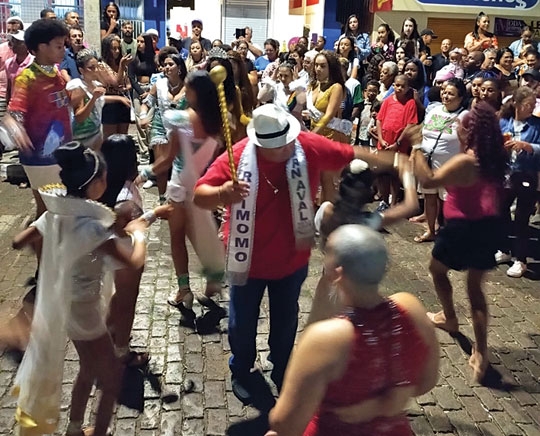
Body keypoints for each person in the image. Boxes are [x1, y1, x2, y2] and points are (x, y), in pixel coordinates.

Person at [193, 103, 402, 409]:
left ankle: (281, 366)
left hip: (291, 260)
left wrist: (399, 161)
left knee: (286, 318)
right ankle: (241, 369)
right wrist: (224, 193)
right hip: (246, 259)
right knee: (241, 322)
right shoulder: (239, 156)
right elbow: (200, 194)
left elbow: (354, 154)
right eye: (278, 146)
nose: (287, 147)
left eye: (288, 140)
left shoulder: (306, 145)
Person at [11, 142, 148, 436]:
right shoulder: (94, 230)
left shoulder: (55, 216)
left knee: (88, 368)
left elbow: (18, 240)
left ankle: (75, 428)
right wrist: (140, 235)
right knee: (111, 377)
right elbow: (134, 263)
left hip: (66, 306)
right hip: (85, 311)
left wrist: (47, 241)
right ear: (96, 185)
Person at [266, 225, 439, 436]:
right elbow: (427, 381)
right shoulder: (410, 308)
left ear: (337, 273)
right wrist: (382, 404)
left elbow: (285, 424)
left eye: (327, 252)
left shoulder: (327, 340)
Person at [411, 101, 508, 382]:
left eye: (462, 126)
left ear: (471, 131)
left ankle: (451, 318)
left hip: (463, 226)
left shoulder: (467, 160)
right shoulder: (494, 155)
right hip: (488, 225)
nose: (458, 129)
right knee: (475, 289)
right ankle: (480, 351)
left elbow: (428, 181)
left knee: (437, 269)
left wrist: (417, 146)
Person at [138, 70, 226, 327]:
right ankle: (212, 282)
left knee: (177, 239)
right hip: (201, 187)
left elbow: (165, 160)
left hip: (178, 187)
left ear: (196, 93)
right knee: (201, 235)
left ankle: (183, 291)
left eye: (188, 90)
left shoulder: (179, 120)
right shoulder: (219, 122)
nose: (184, 94)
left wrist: (144, 173)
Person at [307, 157, 419, 324]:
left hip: (329, 283)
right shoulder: (368, 221)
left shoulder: (327, 212)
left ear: (342, 185)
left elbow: (329, 184)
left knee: (322, 324)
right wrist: (407, 175)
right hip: (357, 291)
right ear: (369, 193)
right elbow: (411, 206)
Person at [3, 19, 71, 219]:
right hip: (40, 157)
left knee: (58, 210)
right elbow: (12, 114)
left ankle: (45, 244)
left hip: (61, 152)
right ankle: (37, 244)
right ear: (42, 47)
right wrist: (16, 130)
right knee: (49, 211)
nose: (63, 50)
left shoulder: (56, 74)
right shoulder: (27, 78)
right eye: (59, 46)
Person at [414, 78, 468, 243]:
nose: (445, 96)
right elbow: (422, 132)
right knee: (429, 198)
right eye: (444, 92)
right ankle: (431, 230)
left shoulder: (465, 116)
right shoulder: (434, 110)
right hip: (427, 162)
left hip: (449, 167)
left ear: (460, 97)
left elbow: (468, 141)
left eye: (451, 93)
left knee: (449, 202)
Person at [496, 86, 540, 278]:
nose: (531, 108)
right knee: (501, 212)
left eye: (533, 104)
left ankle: (520, 259)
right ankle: (504, 249)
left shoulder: (537, 125)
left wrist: (528, 146)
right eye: (528, 105)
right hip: (505, 174)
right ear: (516, 104)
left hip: (527, 175)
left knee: (522, 218)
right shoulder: (504, 122)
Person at [67, 49, 107, 150]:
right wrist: (93, 98)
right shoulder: (77, 86)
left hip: (96, 136)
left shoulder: (96, 85)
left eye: (97, 66)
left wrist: (118, 99)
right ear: (81, 70)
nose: (96, 70)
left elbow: (101, 98)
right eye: (91, 68)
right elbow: (79, 117)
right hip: (80, 139)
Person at [100, 34, 132, 137]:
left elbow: (128, 84)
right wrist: (122, 66)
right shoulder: (102, 65)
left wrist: (124, 87)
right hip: (110, 104)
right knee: (110, 138)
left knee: (123, 137)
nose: (117, 51)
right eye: (114, 49)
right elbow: (115, 83)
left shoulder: (121, 65)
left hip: (123, 102)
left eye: (118, 48)